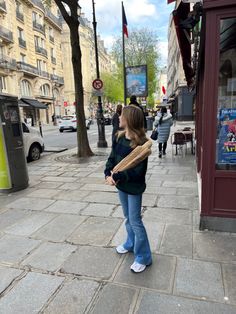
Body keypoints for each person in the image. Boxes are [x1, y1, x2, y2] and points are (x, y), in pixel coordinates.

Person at [104, 105, 152, 273]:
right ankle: (130, 243)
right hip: (121, 186)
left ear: (129, 119)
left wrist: (117, 177)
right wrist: (107, 172)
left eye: (121, 115)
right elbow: (112, 158)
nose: (118, 118)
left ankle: (144, 257)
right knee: (127, 217)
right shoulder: (119, 137)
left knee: (135, 221)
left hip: (134, 187)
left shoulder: (143, 144)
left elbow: (137, 171)